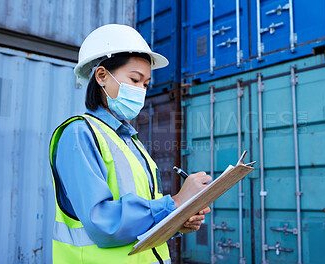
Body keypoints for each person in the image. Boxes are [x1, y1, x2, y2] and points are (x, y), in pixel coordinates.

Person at [49, 24, 211, 264]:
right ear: (102, 76)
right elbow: (102, 223)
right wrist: (175, 202)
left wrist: (177, 220)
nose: (141, 91)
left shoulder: (130, 141)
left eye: (145, 84)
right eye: (135, 79)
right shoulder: (78, 134)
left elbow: (141, 220)